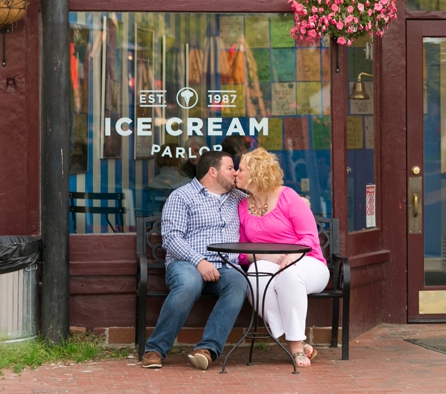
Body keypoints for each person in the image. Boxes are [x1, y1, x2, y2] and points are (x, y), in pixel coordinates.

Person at [141, 151, 247, 371]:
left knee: (239, 282)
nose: (235, 173)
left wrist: (299, 201)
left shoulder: (239, 198)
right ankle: (155, 349)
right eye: (230, 168)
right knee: (189, 283)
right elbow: (171, 238)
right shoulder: (182, 196)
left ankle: (207, 349)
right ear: (213, 171)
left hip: (224, 266)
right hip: (186, 263)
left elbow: (269, 202)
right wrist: (199, 261)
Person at [235, 148, 329, 368]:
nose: (235, 174)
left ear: (256, 173)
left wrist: (290, 256)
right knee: (255, 276)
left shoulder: (288, 197)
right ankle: (295, 337)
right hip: (268, 262)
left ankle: (296, 347)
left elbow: (309, 238)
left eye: (240, 169)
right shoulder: (242, 206)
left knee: (289, 274)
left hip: (308, 262)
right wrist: (268, 256)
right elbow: (241, 252)